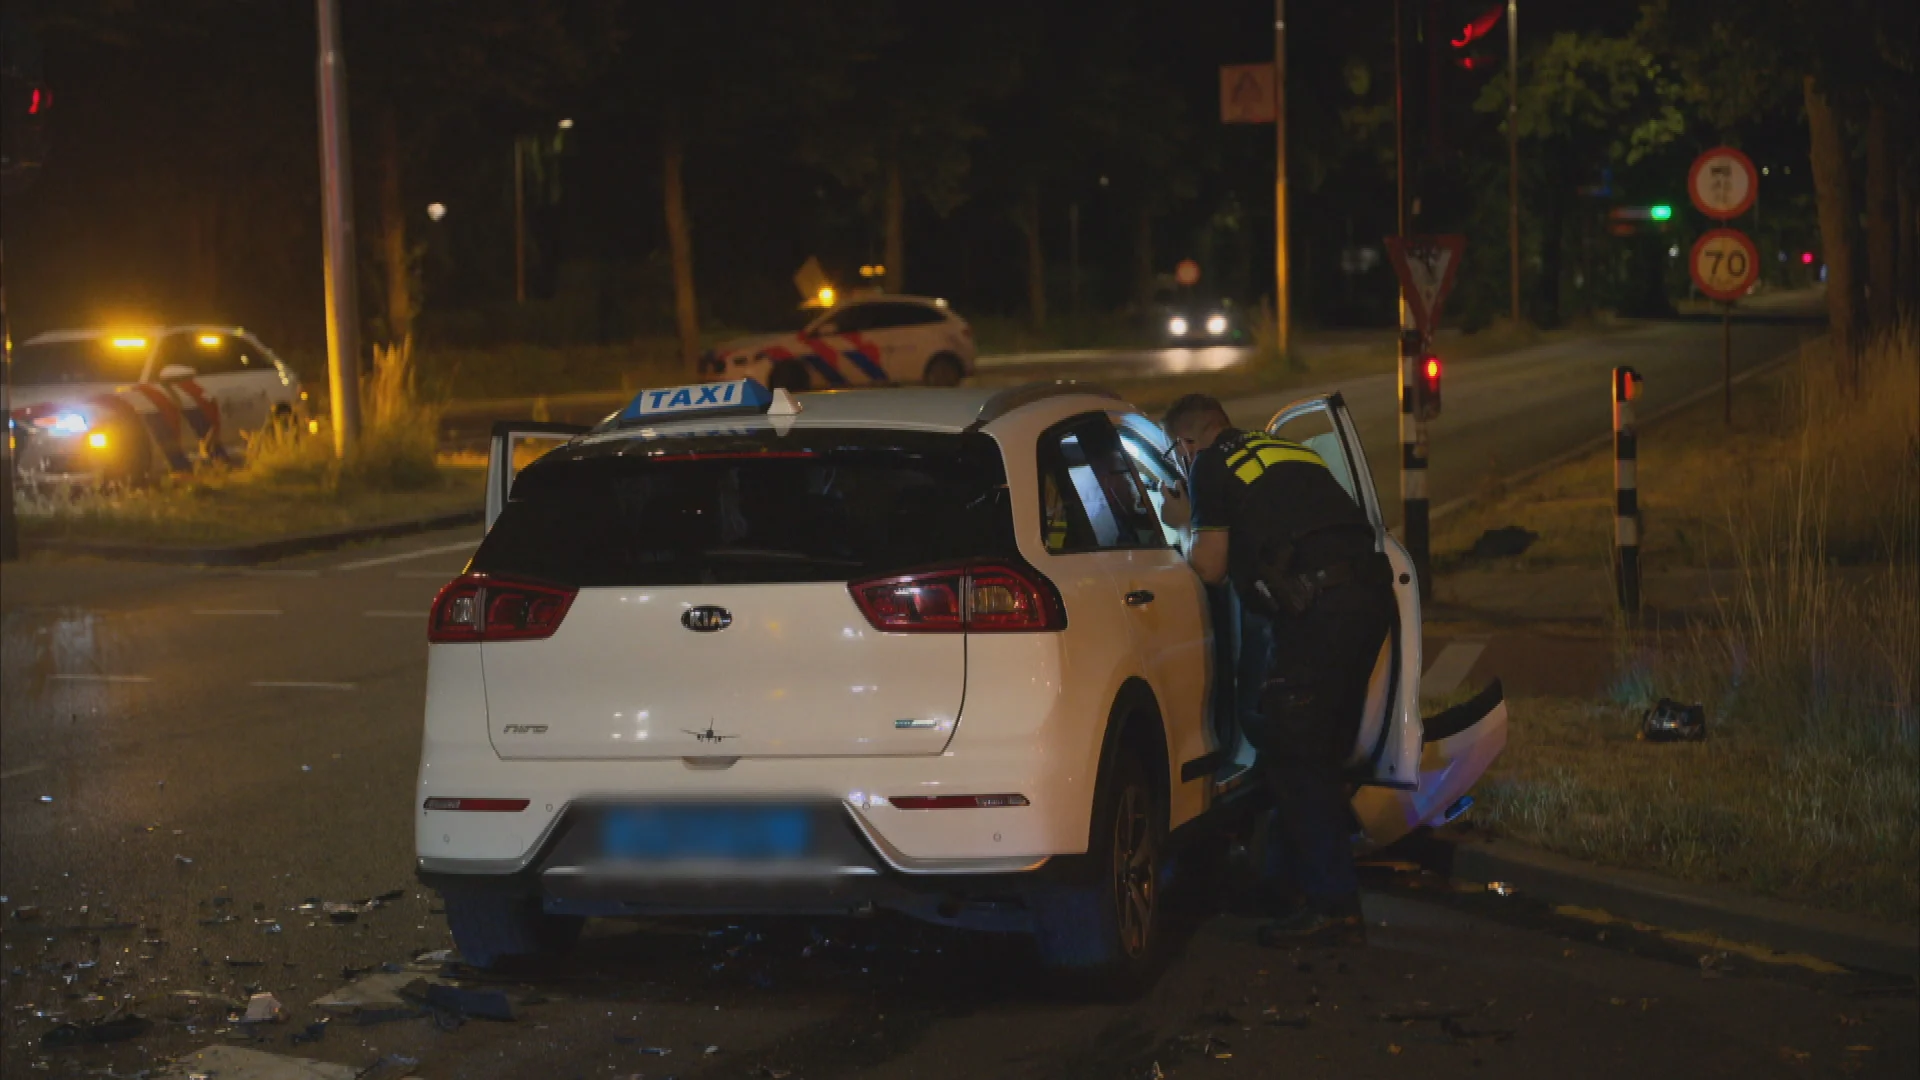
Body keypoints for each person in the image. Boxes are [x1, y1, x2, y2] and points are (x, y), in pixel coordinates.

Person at [1160, 393, 1395, 946]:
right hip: (1368, 599)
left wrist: (1186, 520)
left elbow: (1211, 569)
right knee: (1316, 745)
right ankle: (1287, 885)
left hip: (1318, 612)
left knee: (1293, 750)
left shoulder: (1210, 466)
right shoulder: (1287, 451)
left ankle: (1333, 905)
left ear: (1186, 444)